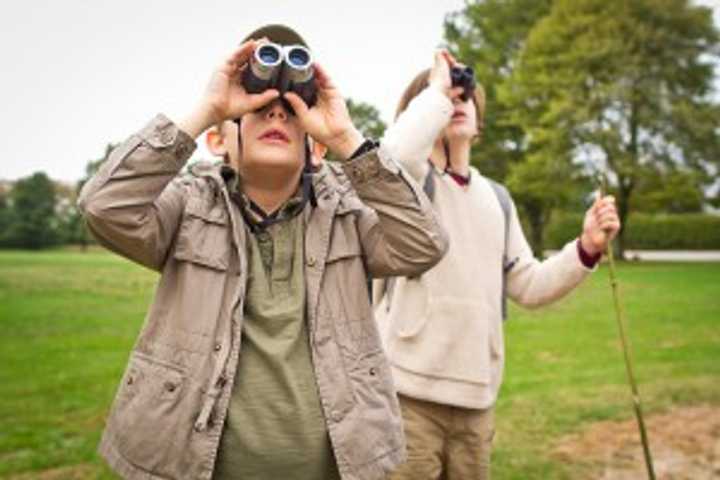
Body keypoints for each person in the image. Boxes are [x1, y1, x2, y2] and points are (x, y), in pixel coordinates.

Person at [78, 24, 449, 480]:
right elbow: (103, 206)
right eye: (258, 108)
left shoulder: (346, 210)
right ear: (218, 140)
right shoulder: (189, 204)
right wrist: (205, 110)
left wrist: (346, 137)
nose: (276, 115)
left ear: (315, 146)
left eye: (292, 110)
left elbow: (425, 244)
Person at [373, 51, 621, 480]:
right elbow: (391, 157)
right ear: (423, 112)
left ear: (480, 123)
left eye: (465, 96)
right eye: (446, 95)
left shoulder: (498, 199)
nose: (457, 100)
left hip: (476, 400)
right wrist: (436, 94)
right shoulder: (408, 184)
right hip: (406, 397)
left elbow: (528, 284)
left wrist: (585, 247)